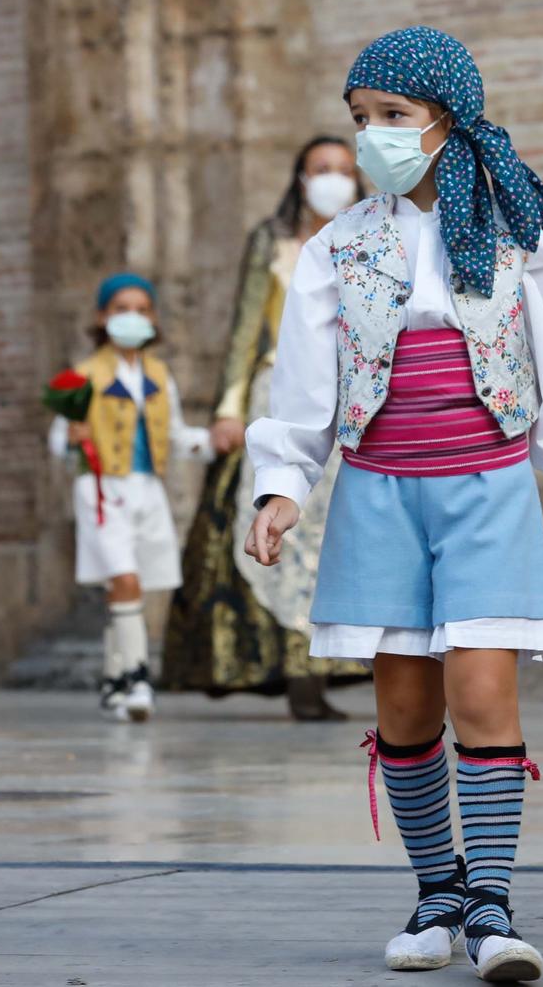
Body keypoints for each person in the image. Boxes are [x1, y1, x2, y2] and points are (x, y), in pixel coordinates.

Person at [245, 27, 543, 981]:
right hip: (377, 494)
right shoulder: (336, 247)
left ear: (446, 123)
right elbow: (304, 385)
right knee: (406, 706)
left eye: (394, 117)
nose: (373, 135)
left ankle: (493, 903)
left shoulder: (513, 234)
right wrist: (283, 484)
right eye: (361, 117)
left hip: (488, 489)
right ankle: (436, 890)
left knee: (484, 691)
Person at [163, 136, 369, 721]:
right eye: (320, 169)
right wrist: (228, 405)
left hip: (354, 404)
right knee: (283, 533)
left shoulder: (375, 237)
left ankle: (334, 668)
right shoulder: (272, 242)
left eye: (343, 170)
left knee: (337, 540)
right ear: (300, 180)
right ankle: (294, 674)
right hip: (282, 393)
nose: (332, 179)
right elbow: (246, 324)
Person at [47, 273, 211, 722]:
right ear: (102, 317)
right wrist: (72, 439)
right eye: (121, 308)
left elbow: (177, 436)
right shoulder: (81, 375)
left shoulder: (160, 376)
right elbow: (57, 441)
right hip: (101, 487)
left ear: (153, 317)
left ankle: (113, 682)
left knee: (131, 584)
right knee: (125, 579)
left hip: (147, 487)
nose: (131, 318)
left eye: (141, 309)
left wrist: (214, 441)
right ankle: (139, 678)